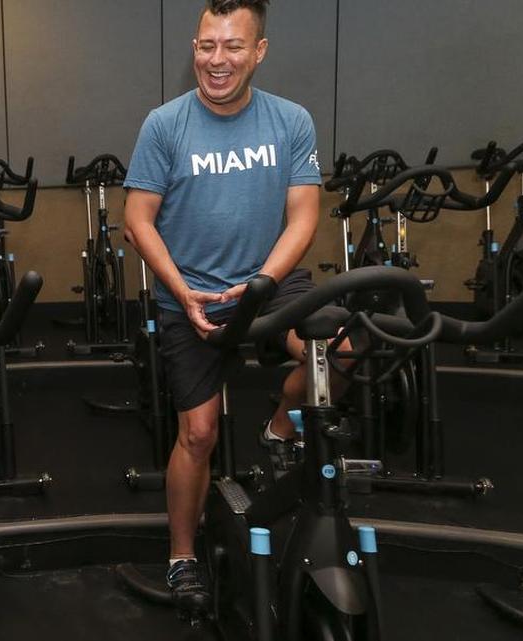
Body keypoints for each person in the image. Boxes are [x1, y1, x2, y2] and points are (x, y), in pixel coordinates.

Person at [122, 0, 326, 613]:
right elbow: (136, 217)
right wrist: (180, 289)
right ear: (195, 48)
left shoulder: (291, 121)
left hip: (272, 283)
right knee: (200, 432)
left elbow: (305, 213)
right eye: (207, 45)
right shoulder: (165, 125)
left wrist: (264, 279)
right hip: (193, 293)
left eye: (233, 46)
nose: (218, 59)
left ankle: (281, 422)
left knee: (338, 352)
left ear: (258, 51)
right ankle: (182, 555)